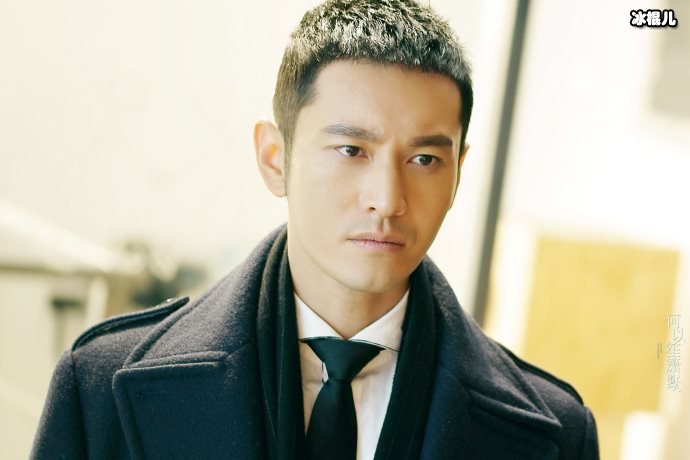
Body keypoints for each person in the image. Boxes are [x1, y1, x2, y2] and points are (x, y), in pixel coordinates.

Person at [31, 1, 600, 459]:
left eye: (424, 159)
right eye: (351, 149)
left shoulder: (557, 434)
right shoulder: (98, 388)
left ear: (458, 174)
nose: (388, 200)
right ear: (275, 158)